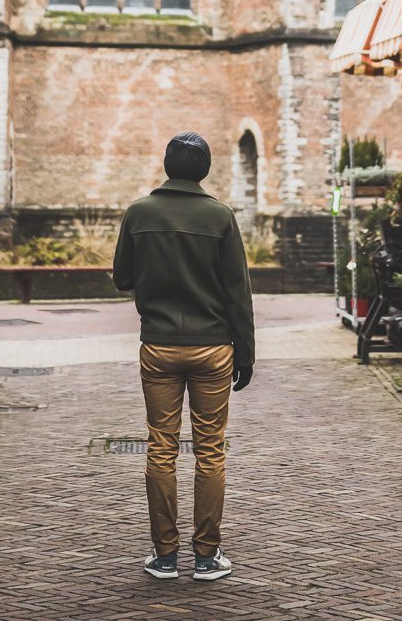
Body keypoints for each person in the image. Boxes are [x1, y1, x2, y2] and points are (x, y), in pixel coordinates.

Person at [112, 131, 256, 583]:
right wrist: (246, 353)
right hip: (213, 347)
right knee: (211, 450)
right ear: (205, 169)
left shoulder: (139, 212)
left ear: (167, 164)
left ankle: (166, 556)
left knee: (161, 447)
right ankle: (208, 557)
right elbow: (238, 292)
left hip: (158, 347)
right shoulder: (220, 217)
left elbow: (121, 278)